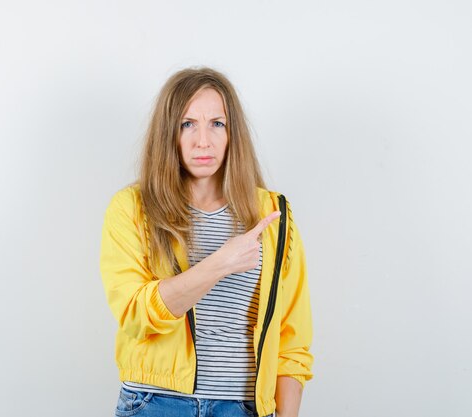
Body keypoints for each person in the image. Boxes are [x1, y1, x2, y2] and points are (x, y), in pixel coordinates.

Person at [99, 67, 314, 417]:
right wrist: (220, 264)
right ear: (169, 133)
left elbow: (292, 339)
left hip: (241, 408)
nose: (203, 140)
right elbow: (135, 314)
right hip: (156, 404)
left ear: (233, 134)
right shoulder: (133, 209)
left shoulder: (273, 214)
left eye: (217, 123)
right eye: (188, 124)